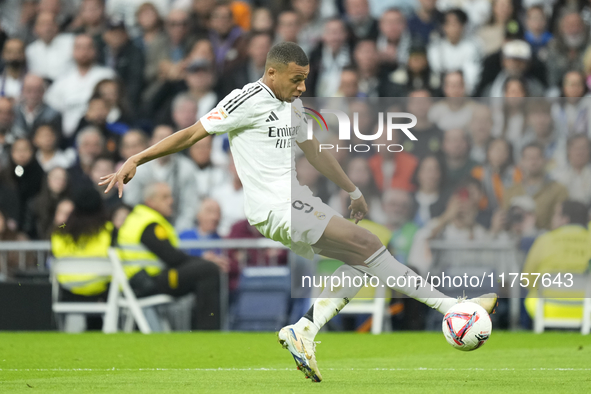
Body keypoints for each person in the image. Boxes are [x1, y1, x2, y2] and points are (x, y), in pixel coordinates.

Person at [100, 42, 497, 382]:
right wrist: (140, 156)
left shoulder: (294, 104)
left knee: (366, 261)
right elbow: (191, 133)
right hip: (275, 206)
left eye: (306, 78)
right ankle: (456, 309)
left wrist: (352, 189)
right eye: (296, 79)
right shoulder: (245, 100)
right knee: (371, 243)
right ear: (271, 72)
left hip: (295, 198)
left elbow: (314, 152)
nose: (302, 86)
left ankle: (304, 329)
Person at [116, 182, 225, 330]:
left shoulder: (140, 218)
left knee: (204, 269)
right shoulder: (148, 223)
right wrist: (203, 260)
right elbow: (172, 257)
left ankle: (203, 329)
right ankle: (207, 331)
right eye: (165, 197)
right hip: (147, 283)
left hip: (143, 280)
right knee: (208, 270)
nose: (171, 201)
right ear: (150, 201)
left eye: (170, 196)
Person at [522, 200, 591, 321]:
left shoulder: (544, 240)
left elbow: (527, 280)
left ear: (565, 219)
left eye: (555, 214)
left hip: (547, 309)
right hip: (586, 310)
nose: (552, 218)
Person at [50, 187, 113, 300]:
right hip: (100, 289)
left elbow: (56, 253)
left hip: (68, 288)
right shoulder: (109, 231)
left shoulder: (59, 233)